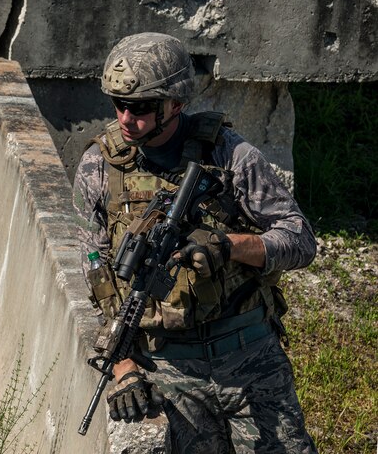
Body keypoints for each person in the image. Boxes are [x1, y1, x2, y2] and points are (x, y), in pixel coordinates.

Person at [73, 33, 318, 453]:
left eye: (142, 107)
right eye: (119, 104)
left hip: (249, 354)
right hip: (170, 367)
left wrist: (228, 246)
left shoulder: (229, 155)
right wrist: (125, 367)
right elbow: (97, 276)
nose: (127, 119)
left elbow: (299, 239)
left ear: (176, 103)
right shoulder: (99, 167)